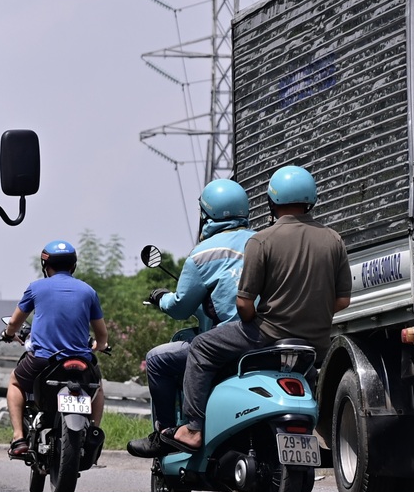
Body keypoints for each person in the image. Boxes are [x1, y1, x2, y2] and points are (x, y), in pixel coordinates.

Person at [130, 166, 349, 456]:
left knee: (199, 349)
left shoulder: (255, 242)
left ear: (272, 201)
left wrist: (252, 319)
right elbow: (342, 300)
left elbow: (239, 304)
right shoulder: (332, 239)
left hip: (264, 334)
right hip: (314, 341)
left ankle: (192, 428)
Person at [140, 178, 255, 433]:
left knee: (157, 360)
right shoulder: (263, 242)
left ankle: (170, 433)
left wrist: (161, 298)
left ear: (207, 214)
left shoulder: (202, 253)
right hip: (271, 336)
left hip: (230, 341)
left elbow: (181, 307)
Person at [0, 241, 107, 461]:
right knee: (97, 388)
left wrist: (9, 334)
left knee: (15, 381)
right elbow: (102, 333)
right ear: (73, 266)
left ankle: (19, 437)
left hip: (44, 362)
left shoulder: (36, 288)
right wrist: (100, 346)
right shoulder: (88, 291)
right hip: (80, 361)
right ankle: (93, 431)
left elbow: (14, 322)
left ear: (45, 265)